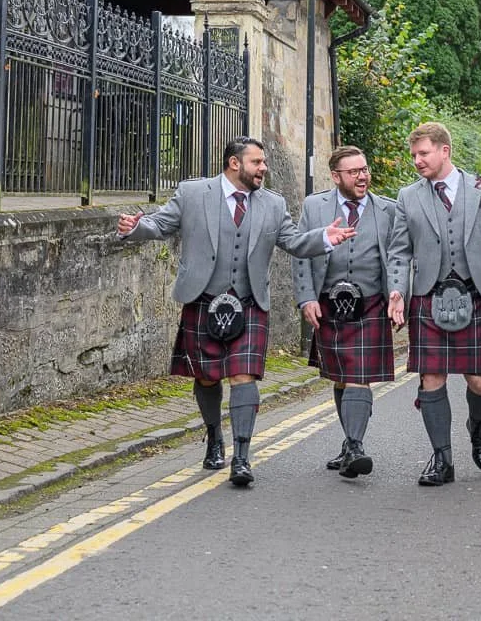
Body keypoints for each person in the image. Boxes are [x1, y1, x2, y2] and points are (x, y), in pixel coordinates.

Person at [117, 137, 355, 487]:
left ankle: (242, 456)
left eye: (264, 162)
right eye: (257, 162)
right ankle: (214, 434)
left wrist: (324, 237)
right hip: (203, 298)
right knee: (208, 377)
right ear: (234, 163)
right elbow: (159, 225)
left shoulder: (273, 204)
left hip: (249, 302)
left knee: (245, 376)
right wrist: (134, 228)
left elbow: (292, 241)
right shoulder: (193, 193)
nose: (264, 168)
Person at [387, 122, 481, 486]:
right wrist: (397, 291)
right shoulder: (408, 197)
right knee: (431, 377)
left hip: (477, 294)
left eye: (424, 153)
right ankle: (442, 458)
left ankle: (477, 424)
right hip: (430, 297)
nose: (417, 161)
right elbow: (399, 252)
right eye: (414, 155)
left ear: (444, 151)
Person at [293, 145, 400, 479]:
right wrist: (306, 298)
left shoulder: (388, 210)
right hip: (328, 302)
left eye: (365, 169)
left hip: (370, 303)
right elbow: (301, 253)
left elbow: (398, 257)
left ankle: (355, 445)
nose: (363, 176)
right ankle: (349, 445)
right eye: (354, 172)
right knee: (340, 377)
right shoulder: (314, 206)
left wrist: (399, 295)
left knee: (358, 377)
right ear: (336, 176)